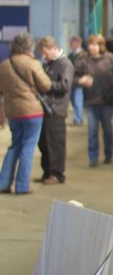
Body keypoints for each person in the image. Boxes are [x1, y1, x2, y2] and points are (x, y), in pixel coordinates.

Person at [0, 32, 52, 195]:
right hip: (31, 111)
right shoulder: (32, 63)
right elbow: (46, 85)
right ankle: (22, 186)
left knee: (14, 145)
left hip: (12, 111)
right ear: (30, 47)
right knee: (28, 147)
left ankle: (3, 183)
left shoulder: (4, 65)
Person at [74, 34, 113, 167]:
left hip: (107, 101)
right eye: (90, 44)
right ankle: (93, 157)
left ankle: (109, 155)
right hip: (91, 101)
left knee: (107, 129)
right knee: (92, 130)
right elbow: (73, 77)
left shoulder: (110, 59)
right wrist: (80, 81)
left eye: (96, 44)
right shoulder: (83, 61)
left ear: (101, 46)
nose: (92, 47)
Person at [36, 36, 74, 185]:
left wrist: (47, 85)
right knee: (44, 142)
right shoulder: (48, 64)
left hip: (56, 109)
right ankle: (47, 172)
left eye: (45, 53)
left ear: (53, 48)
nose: (44, 56)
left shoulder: (65, 65)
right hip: (45, 108)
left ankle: (57, 174)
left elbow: (65, 86)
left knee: (55, 143)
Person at [67, 35, 85, 125]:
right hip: (71, 80)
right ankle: (79, 117)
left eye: (72, 43)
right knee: (74, 100)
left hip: (79, 80)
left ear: (78, 43)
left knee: (78, 100)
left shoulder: (83, 55)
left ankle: (77, 119)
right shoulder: (70, 55)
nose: (71, 44)